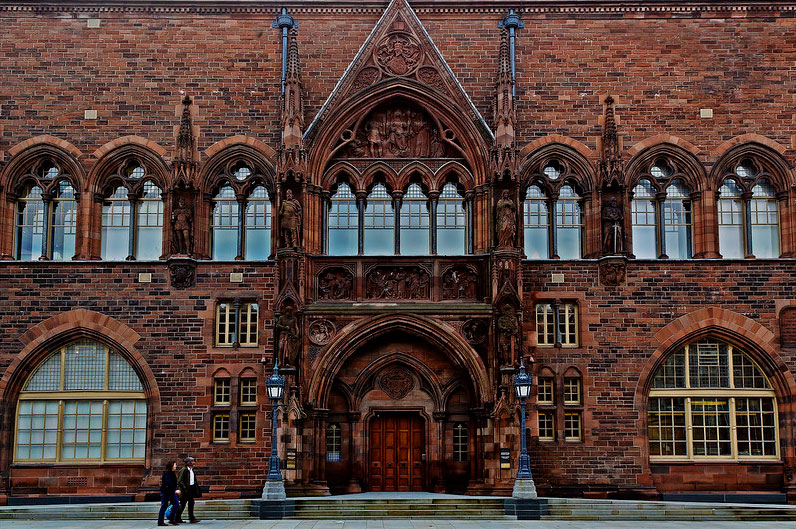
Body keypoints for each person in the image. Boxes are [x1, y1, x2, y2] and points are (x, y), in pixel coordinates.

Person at [176, 456, 201, 524]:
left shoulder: (191, 470)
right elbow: (180, 481)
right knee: (183, 504)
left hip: (191, 489)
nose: (194, 462)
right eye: (193, 461)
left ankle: (191, 518)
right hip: (185, 490)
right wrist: (184, 488)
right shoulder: (183, 470)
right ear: (189, 463)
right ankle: (177, 517)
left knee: (191, 502)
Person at [157, 460, 180, 526]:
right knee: (164, 506)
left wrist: (176, 489)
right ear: (171, 466)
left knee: (176, 504)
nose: (176, 466)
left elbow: (174, 483)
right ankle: (160, 522)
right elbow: (168, 482)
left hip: (171, 492)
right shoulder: (167, 473)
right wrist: (175, 490)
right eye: (175, 465)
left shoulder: (173, 473)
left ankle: (172, 519)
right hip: (166, 492)